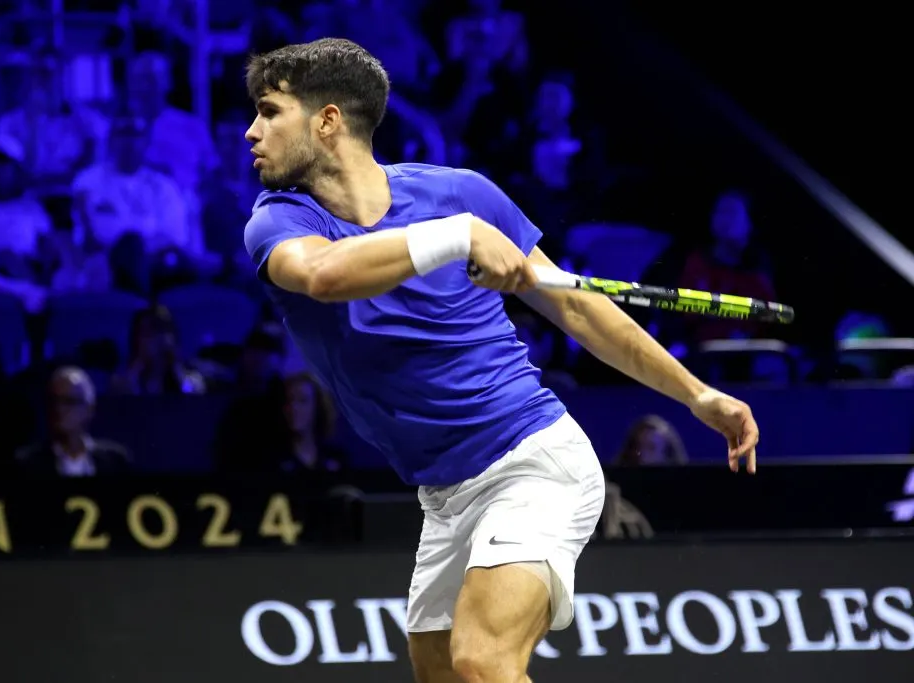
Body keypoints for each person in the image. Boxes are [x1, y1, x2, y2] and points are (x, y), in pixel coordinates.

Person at [242, 38, 760, 683]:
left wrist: (695, 393)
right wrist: (456, 237)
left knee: (483, 661)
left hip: (532, 459)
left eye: (270, 112)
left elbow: (577, 309)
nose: (251, 131)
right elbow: (324, 276)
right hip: (444, 493)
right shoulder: (279, 221)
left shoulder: (461, 194)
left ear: (327, 121)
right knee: (443, 672)